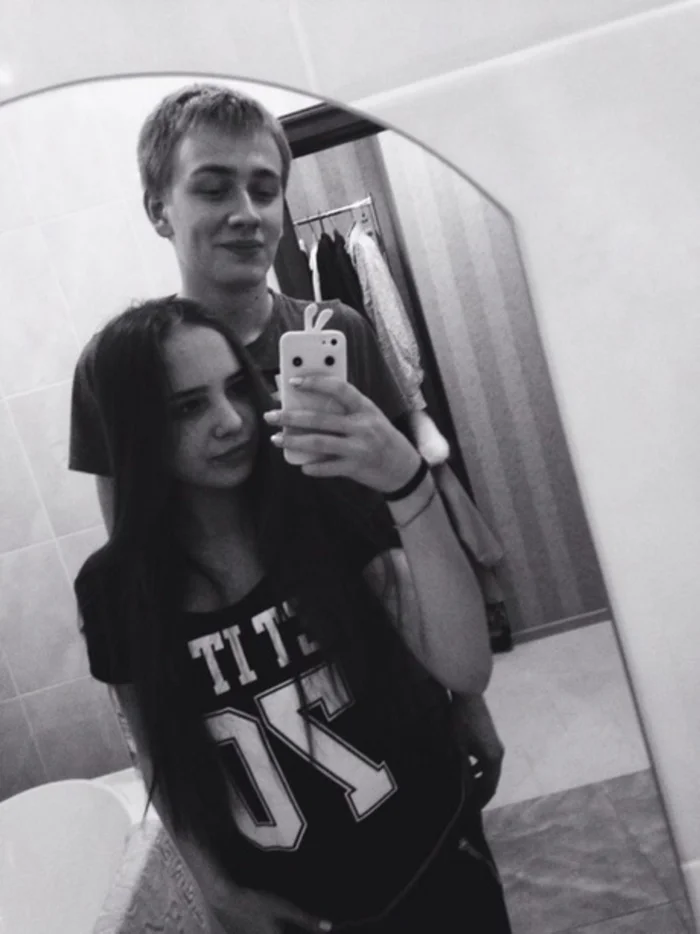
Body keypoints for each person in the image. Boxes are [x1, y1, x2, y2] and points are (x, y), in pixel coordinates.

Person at [68, 83, 503, 825]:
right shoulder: (117, 373)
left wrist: (466, 697)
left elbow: (402, 523)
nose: (247, 211)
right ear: (159, 209)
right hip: (259, 702)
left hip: (395, 660)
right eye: (213, 188)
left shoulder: (340, 332)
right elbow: (137, 560)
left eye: (265, 189)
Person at [74, 295, 511, 933]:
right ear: (135, 431)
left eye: (236, 388)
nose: (232, 421)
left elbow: (466, 667)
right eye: (187, 407)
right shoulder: (115, 588)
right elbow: (156, 748)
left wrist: (406, 481)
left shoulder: (326, 506)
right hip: (295, 909)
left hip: (435, 863)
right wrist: (218, 888)